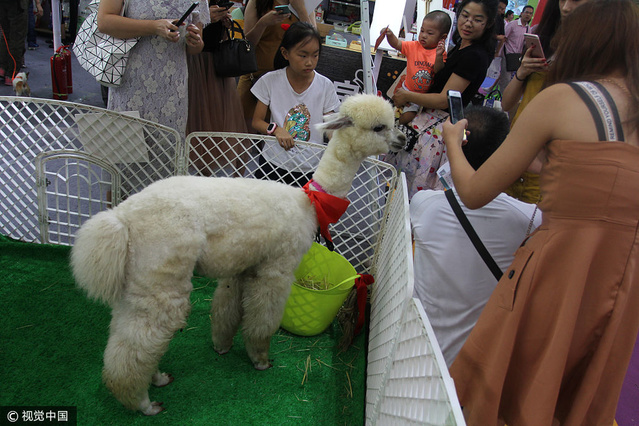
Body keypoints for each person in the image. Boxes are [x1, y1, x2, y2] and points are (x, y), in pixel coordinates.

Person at [443, 1, 639, 423]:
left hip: (559, 269)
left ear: (584, 39)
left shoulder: (563, 99)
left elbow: (474, 191)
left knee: (517, 389)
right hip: (623, 279)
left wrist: (453, 144)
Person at [410, 105, 541, 367]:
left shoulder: (423, 203)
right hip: (475, 364)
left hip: (415, 349)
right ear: (508, 153)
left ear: (453, 145)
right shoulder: (531, 220)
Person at [384, 0, 496, 200]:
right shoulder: (458, 47)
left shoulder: (474, 56)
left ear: (487, 24)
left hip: (435, 129)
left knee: (414, 192)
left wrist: (407, 95)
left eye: (477, 19)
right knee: (401, 187)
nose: (468, 23)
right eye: (465, 15)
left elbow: (446, 99)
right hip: (427, 124)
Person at [501, 0, 591, 204]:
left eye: (575, 0)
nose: (566, 7)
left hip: (551, 170)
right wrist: (523, 72)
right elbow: (507, 104)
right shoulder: (544, 40)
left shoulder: (597, 55)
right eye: (562, 0)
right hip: (515, 156)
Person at [97, 0, 207, 135]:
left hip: (172, 89)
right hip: (130, 82)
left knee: (168, 147)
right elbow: (104, 21)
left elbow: (196, 48)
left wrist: (195, 42)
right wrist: (154, 27)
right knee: (126, 146)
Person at [251, 22, 340, 187]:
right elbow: (257, 121)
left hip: (310, 167)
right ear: (285, 53)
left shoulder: (325, 86)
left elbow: (329, 128)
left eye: (315, 55)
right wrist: (276, 130)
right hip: (273, 163)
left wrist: (340, 144)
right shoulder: (270, 81)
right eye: (303, 55)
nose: (310, 62)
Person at [186, 2, 248, 176]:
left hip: (217, 63)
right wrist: (205, 19)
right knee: (195, 119)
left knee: (215, 123)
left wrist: (222, 22)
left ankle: (206, 176)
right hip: (195, 60)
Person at [237, 0, 315, 132]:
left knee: (283, 133)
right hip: (255, 77)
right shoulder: (258, 2)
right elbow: (247, 44)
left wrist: (301, 10)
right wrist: (263, 23)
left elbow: (313, 41)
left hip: (289, 84)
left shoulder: (304, 4)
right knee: (242, 132)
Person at [380, 11, 451, 125]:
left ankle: (398, 126)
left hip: (420, 97)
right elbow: (397, 44)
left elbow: (438, 70)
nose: (423, 35)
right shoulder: (414, 46)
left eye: (430, 33)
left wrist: (438, 55)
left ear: (443, 37)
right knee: (392, 109)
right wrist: (390, 35)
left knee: (407, 117)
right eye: (422, 30)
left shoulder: (439, 53)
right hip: (405, 88)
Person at [495, 5, 533, 95]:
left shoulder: (528, 28)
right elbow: (504, 38)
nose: (528, 15)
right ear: (521, 13)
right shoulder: (513, 24)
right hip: (507, 54)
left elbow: (525, 43)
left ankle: (494, 92)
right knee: (506, 79)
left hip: (517, 57)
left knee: (508, 79)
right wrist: (497, 52)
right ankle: (502, 101)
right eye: (526, 12)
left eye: (530, 13)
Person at [0, 0, 28, 86]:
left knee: (5, 35)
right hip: (17, 5)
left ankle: (3, 67)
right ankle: (11, 74)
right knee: (17, 37)